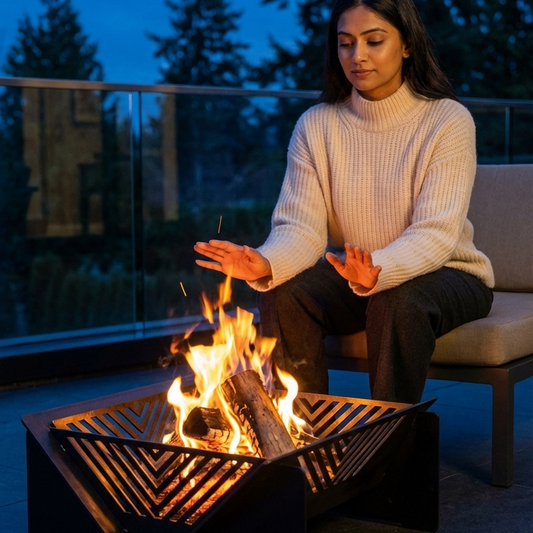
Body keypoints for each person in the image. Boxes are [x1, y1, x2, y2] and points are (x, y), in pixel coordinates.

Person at [194, 0, 494, 404]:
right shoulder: (316, 126)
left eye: (374, 41)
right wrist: (266, 261)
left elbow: (435, 234)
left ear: (407, 45)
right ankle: (304, 443)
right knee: (284, 293)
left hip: (449, 274)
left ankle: (388, 450)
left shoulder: (447, 120)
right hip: (357, 275)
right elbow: (301, 228)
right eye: (345, 43)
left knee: (396, 299)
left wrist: (379, 270)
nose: (358, 56)